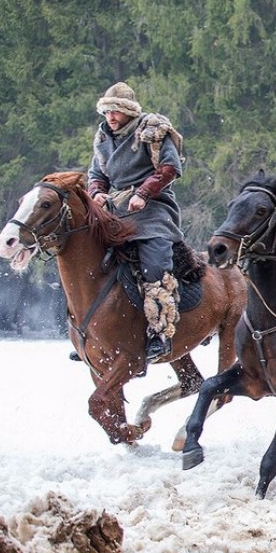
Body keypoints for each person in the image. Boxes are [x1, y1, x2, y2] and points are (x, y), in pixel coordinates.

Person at [88, 82, 184, 363]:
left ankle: (160, 332)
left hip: (153, 209)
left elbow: (170, 167)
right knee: (89, 256)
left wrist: (143, 193)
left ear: (128, 112)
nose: (111, 117)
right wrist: (97, 193)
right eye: (107, 112)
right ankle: (93, 332)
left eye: (116, 111)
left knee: (155, 263)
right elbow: (96, 174)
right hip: (114, 211)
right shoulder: (103, 137)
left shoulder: (151, 131)